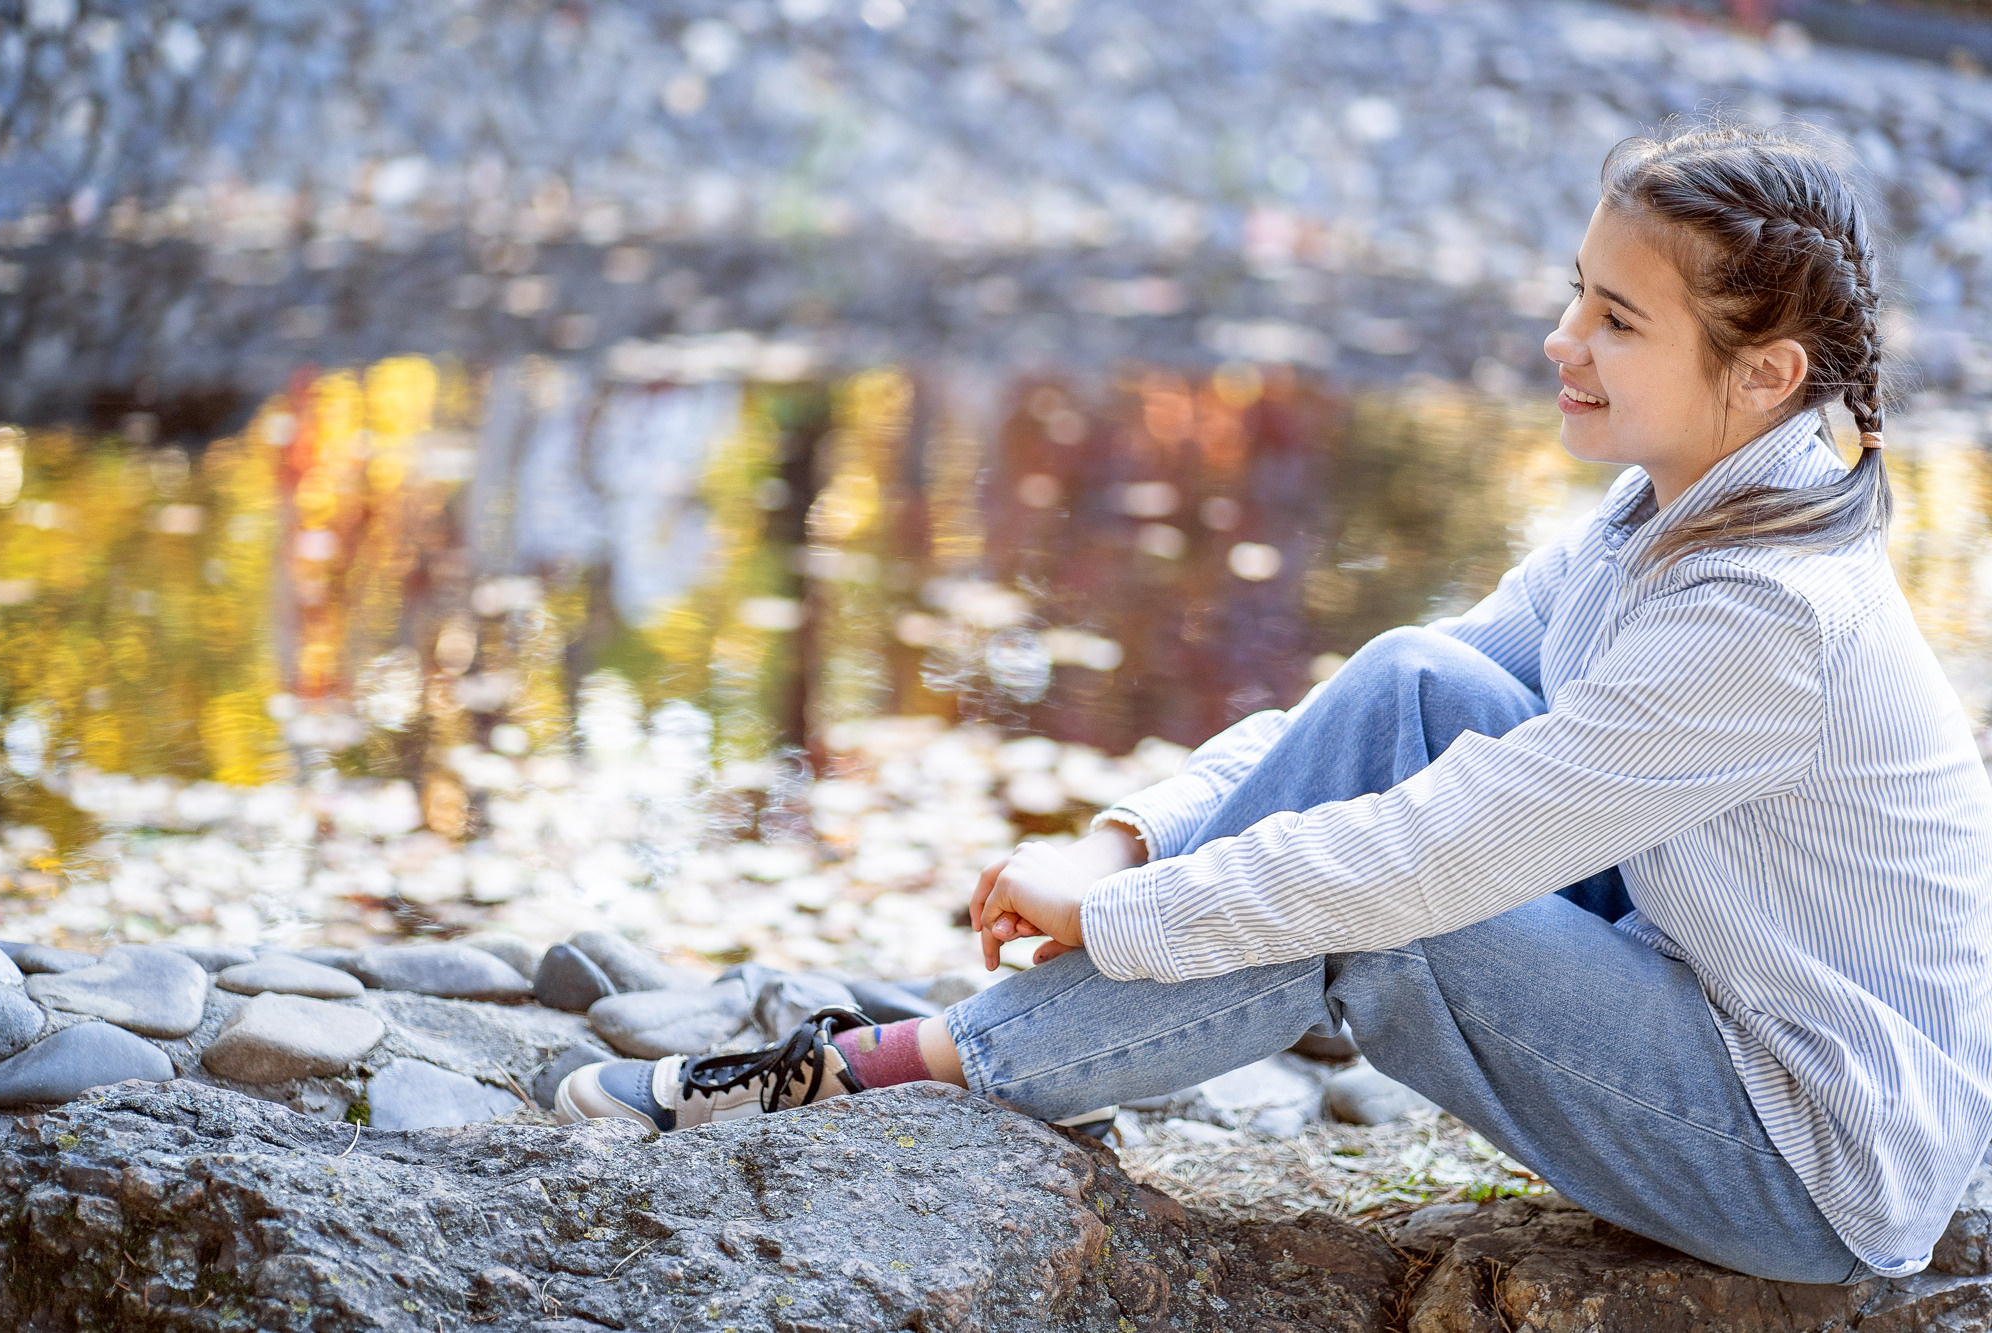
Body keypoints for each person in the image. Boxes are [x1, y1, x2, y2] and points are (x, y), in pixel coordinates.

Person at [556, 121, 1992, 1283]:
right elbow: (1399, 708)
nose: (1560, 338)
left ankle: (925, 1064)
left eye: (1615, 318)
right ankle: (967, 1042)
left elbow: (1432, 850)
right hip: (1711, 991)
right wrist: (1128, 839)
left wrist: (1116, 917)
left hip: (1803, 1154)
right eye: (1577, 288)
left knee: (1394, 920)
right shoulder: (1680, 511)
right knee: (1415, 680)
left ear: (1765, 377)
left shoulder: (1766, 619)